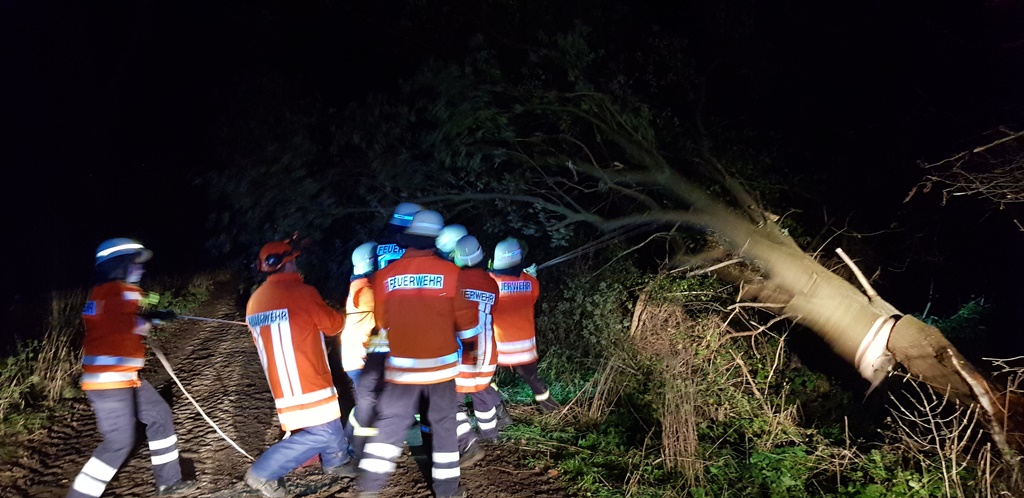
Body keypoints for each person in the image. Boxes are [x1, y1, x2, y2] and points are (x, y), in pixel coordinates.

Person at [356, 210, 479, 498]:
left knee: (391, 423)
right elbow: (465, 319)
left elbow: (382, 322)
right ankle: (447, 492)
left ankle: (370, 486)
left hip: (401, 368)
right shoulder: (452, 273)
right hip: (441, 370)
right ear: (435, 241)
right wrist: (471, 348)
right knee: (444, 425)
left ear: (407, 239)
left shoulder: (385, 276)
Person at [68, 238, 197, 498]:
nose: (141, 269)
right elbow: (136, 310)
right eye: (136, 262)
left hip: (124, 379)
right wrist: (157, 317)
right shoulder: (118, 292)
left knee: (159, 415)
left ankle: (169, 482)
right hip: (109, 383)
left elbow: (131, 313)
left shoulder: (105, 294)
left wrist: (153, 315)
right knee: (118, 443)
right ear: (119, 265)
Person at [243, 237, 356, 498]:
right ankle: (262, 472)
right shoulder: (304, 293)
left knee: (329, 421)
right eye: (294, 259)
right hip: (307, 376)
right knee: (324, 430)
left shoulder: (254, 302)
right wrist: (340, 313)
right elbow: (333, 325)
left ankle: (336, 461)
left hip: (280, 381)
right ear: (289, 262)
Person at [489, 237, 560, 413]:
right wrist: (529, 276)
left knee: (487, 381)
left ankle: (499, 411)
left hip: (498, 349)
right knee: (533, 378)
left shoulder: (490, 282)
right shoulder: (532, 283)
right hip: (525, 349)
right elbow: (532, 295)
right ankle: (550, 408)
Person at [451, 235, 503, 466]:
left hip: (466, 350)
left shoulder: (455, 280)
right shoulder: (491, 283)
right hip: (489, 351)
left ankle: (468, 443)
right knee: (481, 391)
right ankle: (491, 434)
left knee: (450, 400)